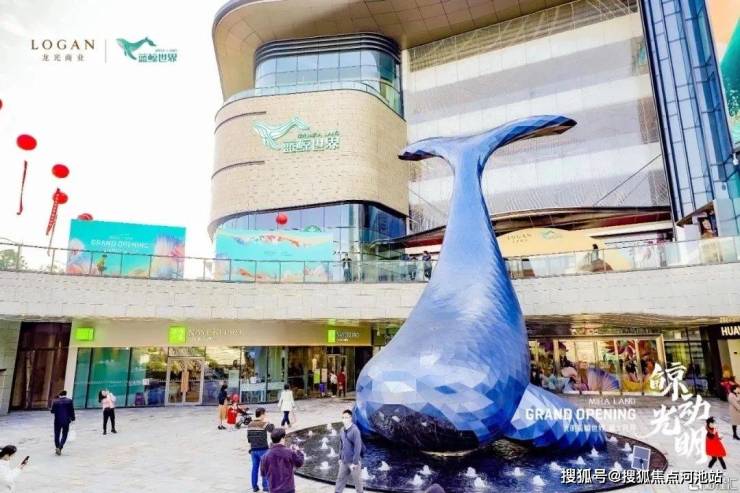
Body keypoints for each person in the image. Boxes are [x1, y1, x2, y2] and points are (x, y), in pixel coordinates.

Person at [260, 428, 304, 493]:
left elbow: (263, 473)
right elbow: (299, 463)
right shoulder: (289, 452)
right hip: (288, 488)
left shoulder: (265, 456)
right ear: (282, 438)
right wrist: (299, 452)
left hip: (274, 489)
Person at [336, 409, 364, 493]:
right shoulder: (342, 429)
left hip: (353, 462)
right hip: (344, 461)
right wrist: (340, 458)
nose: (344, 419)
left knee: (357, 482)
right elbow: (341, 444)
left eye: (346, 417)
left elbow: (358, 447)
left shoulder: (355, 430)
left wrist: (355, 462)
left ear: (351, 418)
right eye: (343, 417)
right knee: (340, 479)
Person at [247, 408, 275, 492]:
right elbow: (273, 430)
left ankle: (254, 487)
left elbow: (249, 438)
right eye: (265, 414)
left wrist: (251, 449)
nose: (265, 415)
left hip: (253, 450)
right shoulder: (264, 424)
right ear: (262, 414)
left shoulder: (250, 424)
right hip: (263, 449)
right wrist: (269, 421)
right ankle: (266, 487)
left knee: (254, 468)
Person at [50, 390, 75, 456]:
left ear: (59, 395)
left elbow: (52, 411)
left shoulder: (55, 401)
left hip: (57, 421)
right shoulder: (69, 401)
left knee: (56, 435)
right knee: (64, 434)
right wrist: (73, 418)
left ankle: (57, 447)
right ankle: (60, 447)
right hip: (66, 421)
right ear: (65, 394)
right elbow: (72, 410)